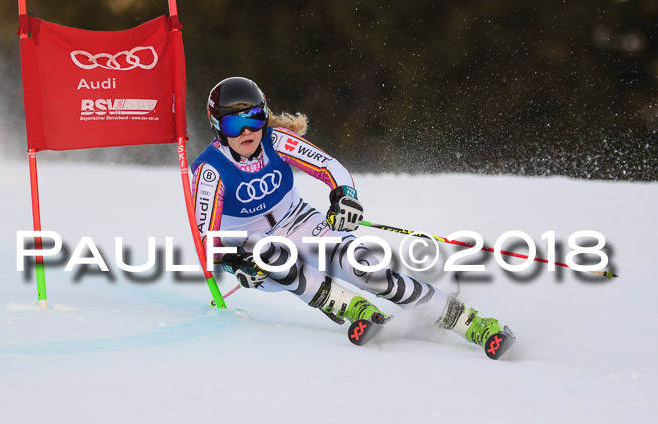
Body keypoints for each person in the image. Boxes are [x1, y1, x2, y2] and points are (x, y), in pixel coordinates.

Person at [191, 76, 512, 354]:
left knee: (367, 270)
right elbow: (205, 237)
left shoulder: (276, 141)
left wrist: (344, 197)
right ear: (218, 127)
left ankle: (471, 323)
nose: (247, 130)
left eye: (255, 118)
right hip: (254, 249)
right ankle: (352, 308)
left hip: (301, 223)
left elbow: (330, 167)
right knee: (272, 256)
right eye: (235, 123)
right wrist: (233, 261)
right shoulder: (210, 171)